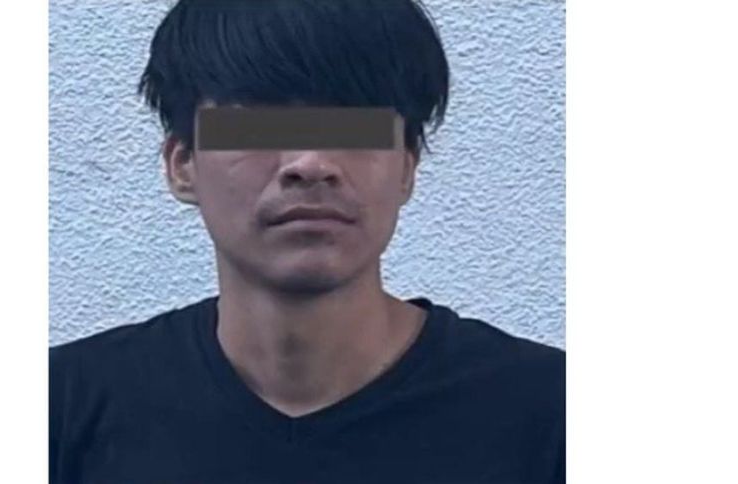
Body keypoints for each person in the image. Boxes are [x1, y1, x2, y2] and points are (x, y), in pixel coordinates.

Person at [49, 0, 565, 482]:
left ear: (407, 167)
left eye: (356, 126)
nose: (311, 163)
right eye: (258, 124)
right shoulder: (64, 407)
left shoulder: (551, 414)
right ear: (182, 164)